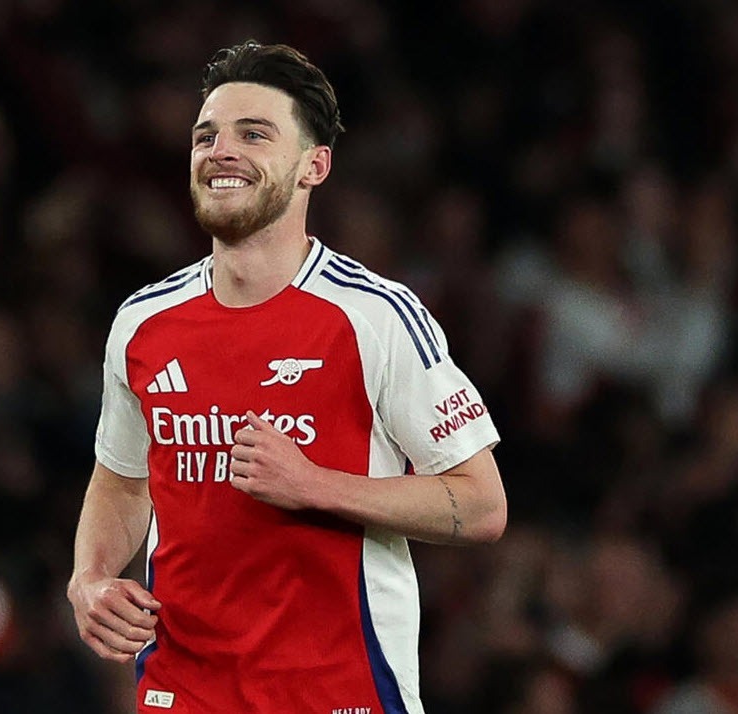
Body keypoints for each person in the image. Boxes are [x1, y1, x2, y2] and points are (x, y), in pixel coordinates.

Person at [67, 40, 508, 713]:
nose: (221, 151)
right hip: (183, 691)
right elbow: (122, 479)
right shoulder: (142, 322)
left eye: (253, 134)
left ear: (313, 166)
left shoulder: (375, 316)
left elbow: (481, 505)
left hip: (339, 691)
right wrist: (91, 578)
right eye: (206, 136)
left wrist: (313, 485)